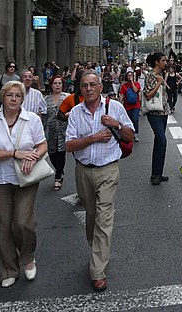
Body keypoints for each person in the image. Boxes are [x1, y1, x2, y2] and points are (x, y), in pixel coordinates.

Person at [65, 70, 134, 292]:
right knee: (92, 216)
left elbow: (130, 136)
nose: (89, 89)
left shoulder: (114, 108)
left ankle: (97, 271)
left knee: (104, 217)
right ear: (80, 89)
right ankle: (97, 249)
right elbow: (69, 145)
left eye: (93, 85)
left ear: (100, 87)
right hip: (83, 171)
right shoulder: (75, 112)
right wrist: (93, 138)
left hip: (108, 170)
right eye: (84, 85)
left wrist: (117, 125)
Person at [0, 81, 48, 288]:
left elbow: (42, 144)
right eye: (9, 95)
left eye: (17, 96)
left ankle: (27, 258)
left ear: (22, 99)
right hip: (1, 180)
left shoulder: (32, 120)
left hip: (26, 179)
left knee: (22, 222)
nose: (13, 99)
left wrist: (34, 157)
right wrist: (13, 153)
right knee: (4, 225)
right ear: (2, 97)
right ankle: (9, 270)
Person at [143, 52, 171, 184]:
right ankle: (156, 174)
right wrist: (159, 83)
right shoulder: (151, 76)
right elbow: (148, 95)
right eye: (163, 60)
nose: (166, 63)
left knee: (160, 143)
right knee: (162, 140)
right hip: (154, 113)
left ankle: (157, 173)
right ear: (156, 62)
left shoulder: (160, 75)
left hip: (163, 112)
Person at [45, 76, 69, 191]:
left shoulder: (67, 97)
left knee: (61, 153)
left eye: (59, 83)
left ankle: (58, 176)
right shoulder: (46, 99)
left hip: (64, 129)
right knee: (52, 153)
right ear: (51, 85)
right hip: (50, 130)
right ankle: (59, 169)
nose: (57, 85)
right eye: (55, 83)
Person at [118, 71, 141, 141]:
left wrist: (132, 82)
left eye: (131, 75)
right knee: (129, 120)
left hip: (136, 105)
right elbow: (121, 95)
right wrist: (119, 103)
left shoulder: (137, 84)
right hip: (127, 105)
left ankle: (136, 134)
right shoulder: (124, 86)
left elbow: (136, 90)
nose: (130, 77)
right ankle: (129, 134)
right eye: (128, 76)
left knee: (135, 119)